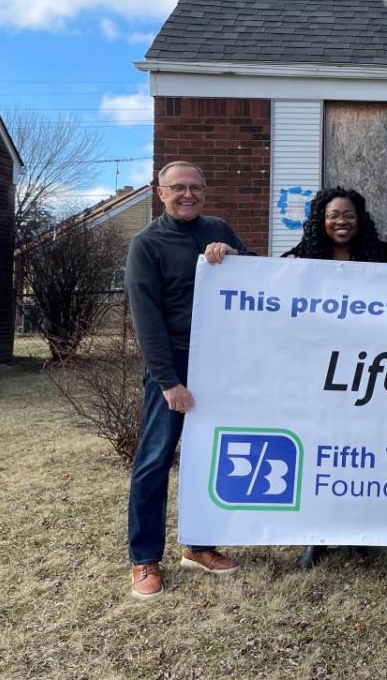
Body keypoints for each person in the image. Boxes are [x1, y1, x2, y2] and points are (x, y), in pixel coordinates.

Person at [125, 161, 248, 600]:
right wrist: (168, 381)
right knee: (155, 460)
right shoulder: (147, 243)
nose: (188, 195)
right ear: (160, 193)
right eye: (178, 188)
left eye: (196, 187)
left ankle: (198, 546)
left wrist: (233, 257)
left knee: (207, 456)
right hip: (173, 364)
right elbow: (146, 319)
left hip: (218, 361)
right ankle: (144, 558)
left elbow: (257, 274)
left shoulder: (218, 228)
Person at [283, 186, 387, 568]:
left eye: (348, 215)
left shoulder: (378, 257)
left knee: (359, 454)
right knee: (318, 454)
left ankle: (356, 533)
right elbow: (264, 291)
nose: (341, 222)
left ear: (359, 220)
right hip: (317, 375)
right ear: (320, 220)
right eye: (333, 215)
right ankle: (316, 535)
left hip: (364, 375)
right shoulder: (299, 258)